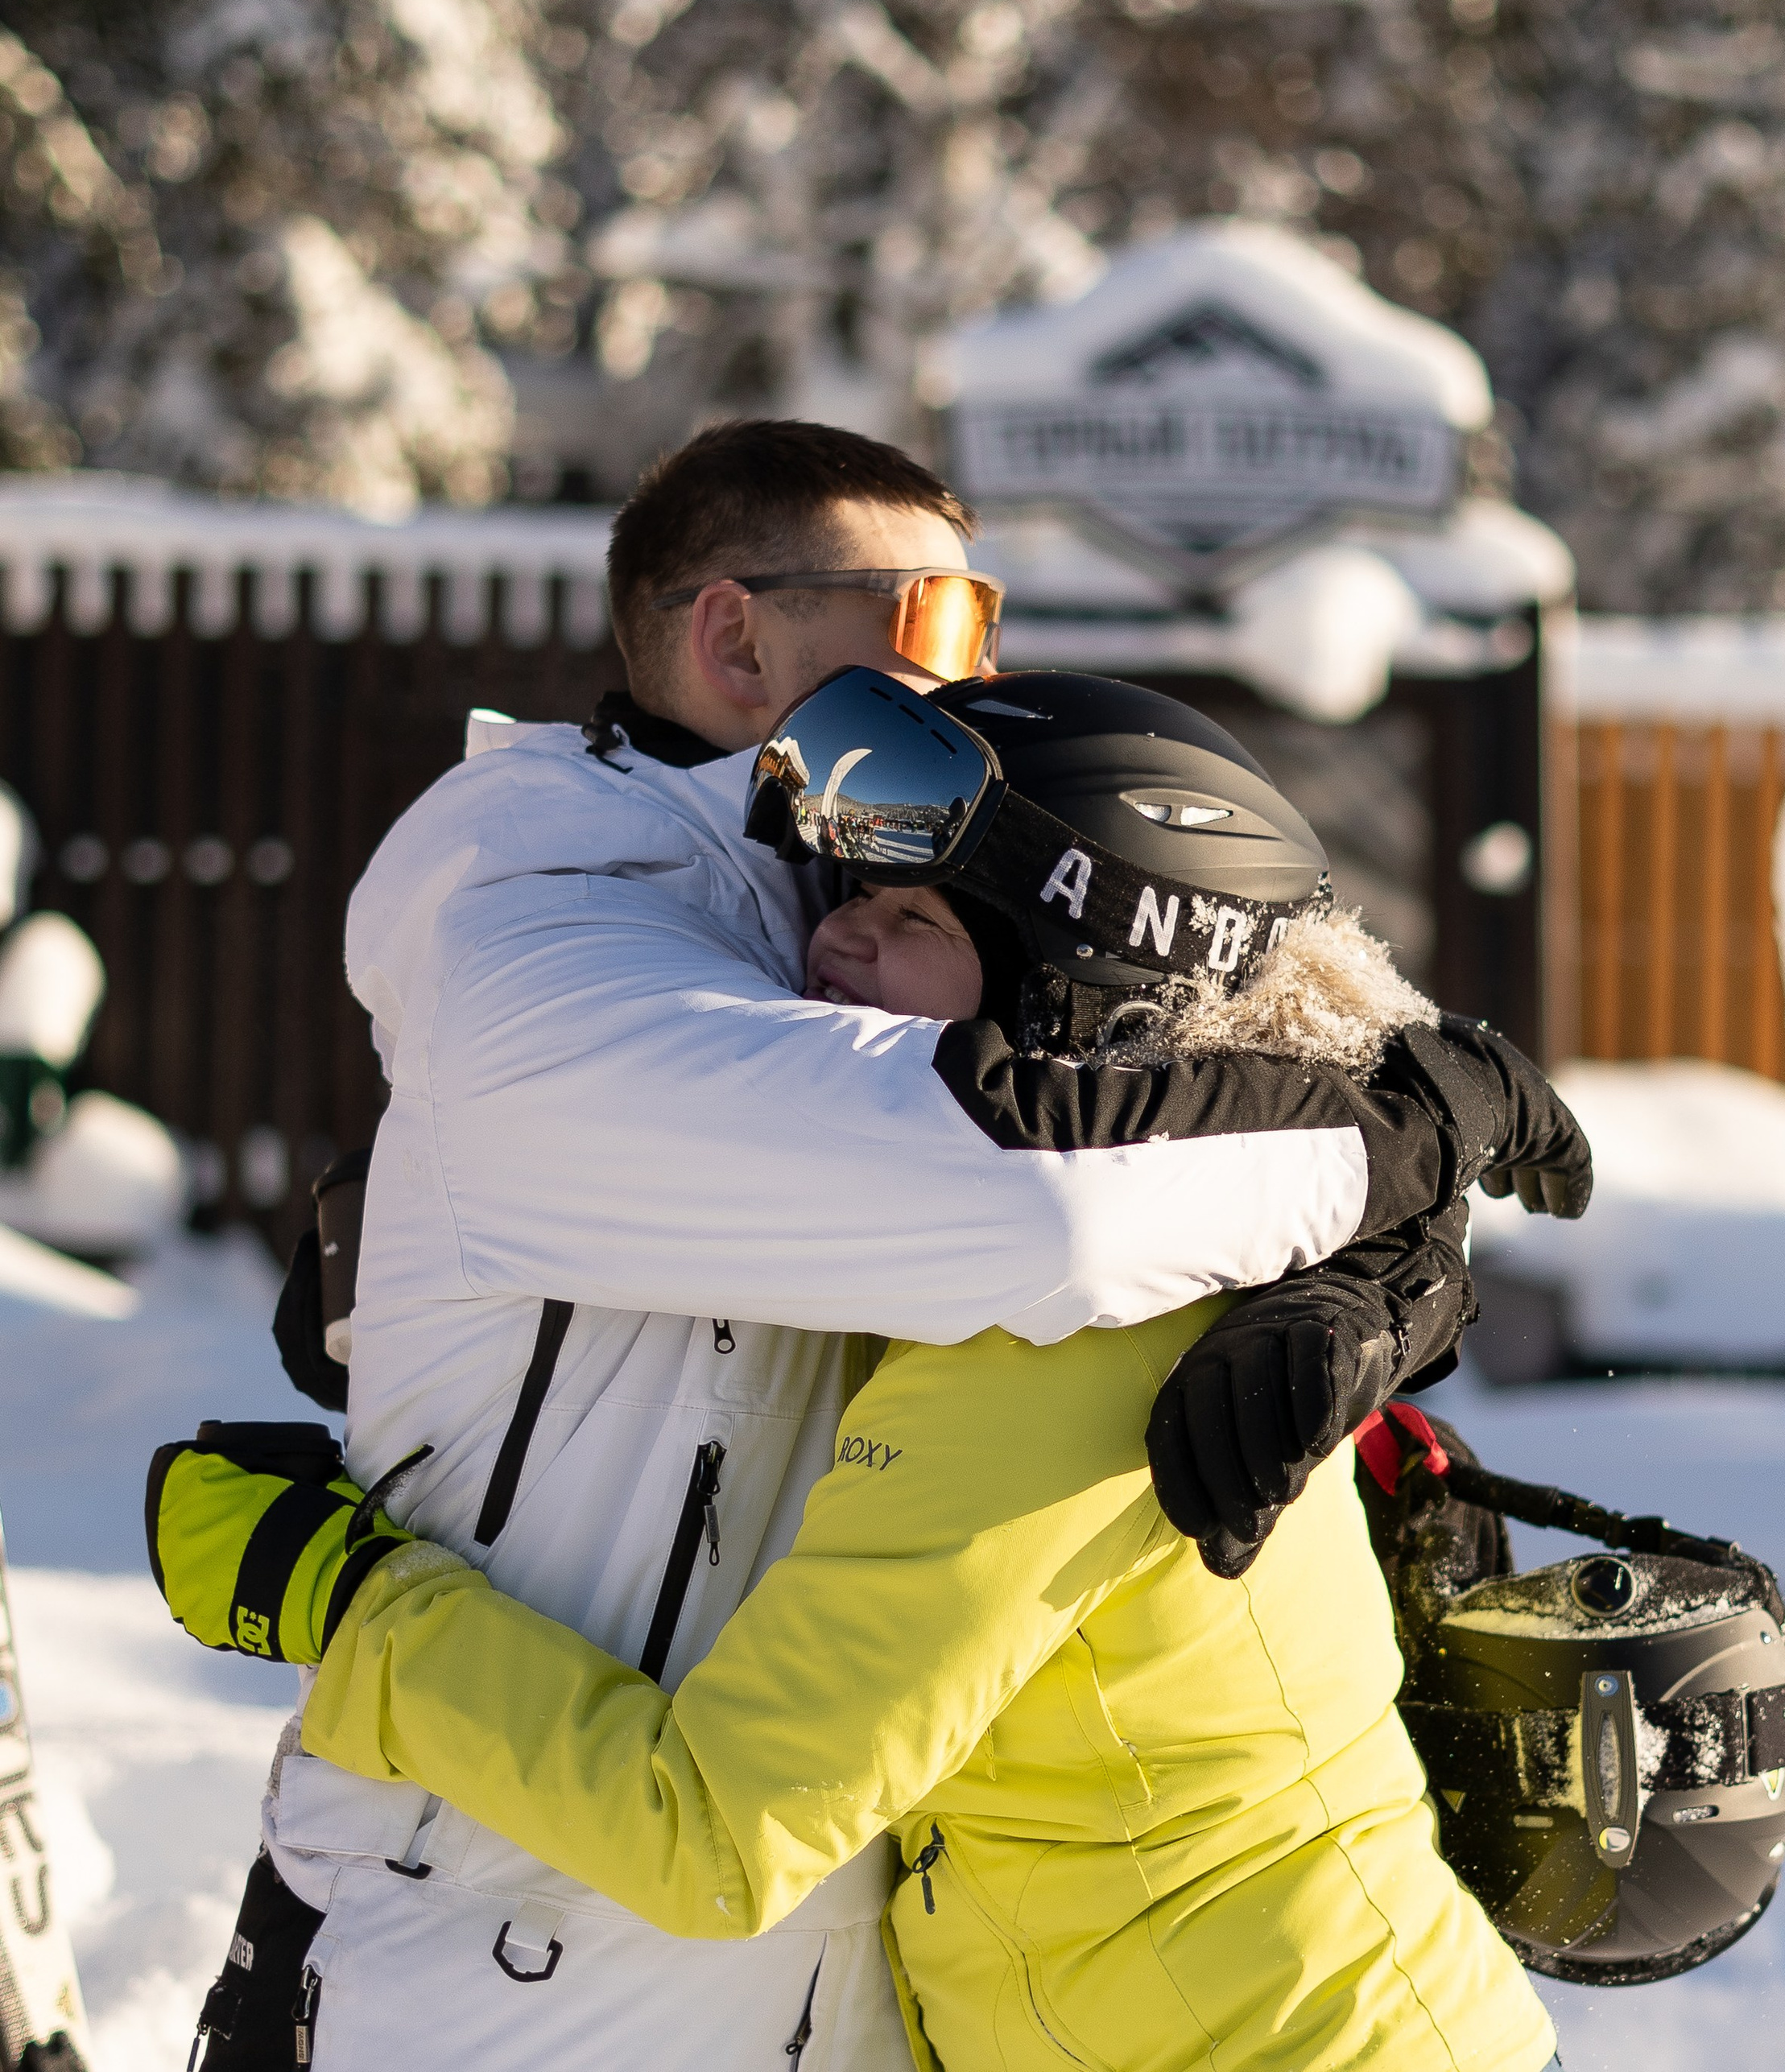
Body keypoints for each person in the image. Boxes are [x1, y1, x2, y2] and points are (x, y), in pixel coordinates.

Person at [188, 423, 1589, 2067]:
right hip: (501, 1969)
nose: (972, 669)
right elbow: (1036, 1194)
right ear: (734, 637)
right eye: (931, 620)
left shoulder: (789, 935)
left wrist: (1369, 1238)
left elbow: (1101, 1083)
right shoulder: (555, 939)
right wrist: (1392, 1156)